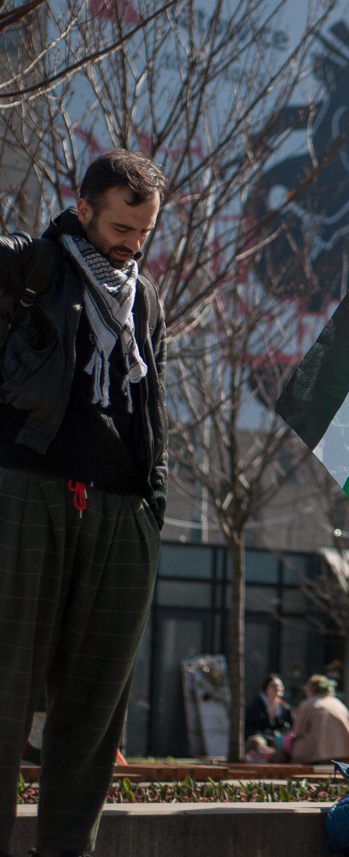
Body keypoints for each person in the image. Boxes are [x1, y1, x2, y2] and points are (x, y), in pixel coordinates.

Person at [0, 149, 169, 857]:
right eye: (123, 227)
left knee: (96, 709)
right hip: (29, 489)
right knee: (6, 692)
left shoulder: (146, 298)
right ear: (83, 209)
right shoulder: (30, 267)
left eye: (145, 231)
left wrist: (153, 501)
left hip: (122, 508)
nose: (134, 243)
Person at [288, 675, 349, 765]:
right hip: (345, 754)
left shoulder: (308, 704)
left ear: (311, 690)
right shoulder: (339, 704)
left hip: (318, 755)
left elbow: (298, 732)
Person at [245, 673, 294, 743]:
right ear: (266, 689)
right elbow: (250, 728)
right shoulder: (256, 705)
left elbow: (291, 727)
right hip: (260, 742)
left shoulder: (285, 708)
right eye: (274, 686)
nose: (278, 688)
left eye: (281, 686)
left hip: (279, 743)